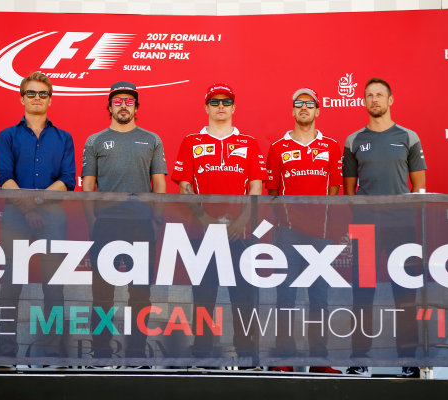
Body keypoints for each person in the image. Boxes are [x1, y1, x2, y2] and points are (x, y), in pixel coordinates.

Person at [172, 83, 268, 365]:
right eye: (215, 102)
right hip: (202, 233)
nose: (221, 106)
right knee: (203, 293)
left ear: (234, 107)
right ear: (206, 108)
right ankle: (202, 352)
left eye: (226, 102)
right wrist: (204, 219)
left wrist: (242, 220)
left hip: (241, 234)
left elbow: (256, 188)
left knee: (244, 294)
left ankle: (247, 353)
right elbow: (184, 187)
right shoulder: (191, 141)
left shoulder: (248, 143)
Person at [342, 78, 427, 377]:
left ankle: (409, 361)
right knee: (361, 294)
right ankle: (358, 359)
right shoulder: (353, 140)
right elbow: (349, 192)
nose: (374, 99)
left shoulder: (408, 137)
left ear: (390, 100)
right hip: (365, 227)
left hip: (402, 226)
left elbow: (419, 188)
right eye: (369, 96)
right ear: (364, 102)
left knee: (405, 294)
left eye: (380, 95)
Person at [82, 81, 167, 361]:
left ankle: (136, 354)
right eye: (117, 100)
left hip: (141, 225)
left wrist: (157, 219)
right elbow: (87, 187)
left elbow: (159, 185)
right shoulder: (94, 140)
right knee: (102, 293)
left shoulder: (152, 139)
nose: (123, 105)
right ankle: (101, 353)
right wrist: (92, 221)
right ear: (109, 106)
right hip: (106, 224)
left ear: (137, 108)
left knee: (140, 293)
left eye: (129, 101)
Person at [0, 71, 76, 358]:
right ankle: (5, 350)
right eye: (32, 93)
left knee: (53, 284)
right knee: (10, 282)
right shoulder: (7, 136)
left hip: (53, 216)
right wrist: (28, 209)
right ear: (22, 98)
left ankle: (52, 352)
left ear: (50, 100)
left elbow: (68, 180)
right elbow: (4, 177)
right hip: (16, 216)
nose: (37, 98)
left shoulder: (64, 137)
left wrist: (37, 201)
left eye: (43, 94)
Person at [265, 88, 342, 373]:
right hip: (287, 232)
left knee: (318, 296)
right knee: (285, 294)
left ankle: (319, 361)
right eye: (299, 104)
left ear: (318, 111)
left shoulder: (331, 146)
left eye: (310, 104)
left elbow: (334, 190)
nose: (304, 108)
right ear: (293, 111)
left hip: (320, 233)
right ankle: (283, 357)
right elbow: (272, 192)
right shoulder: (278, 147)